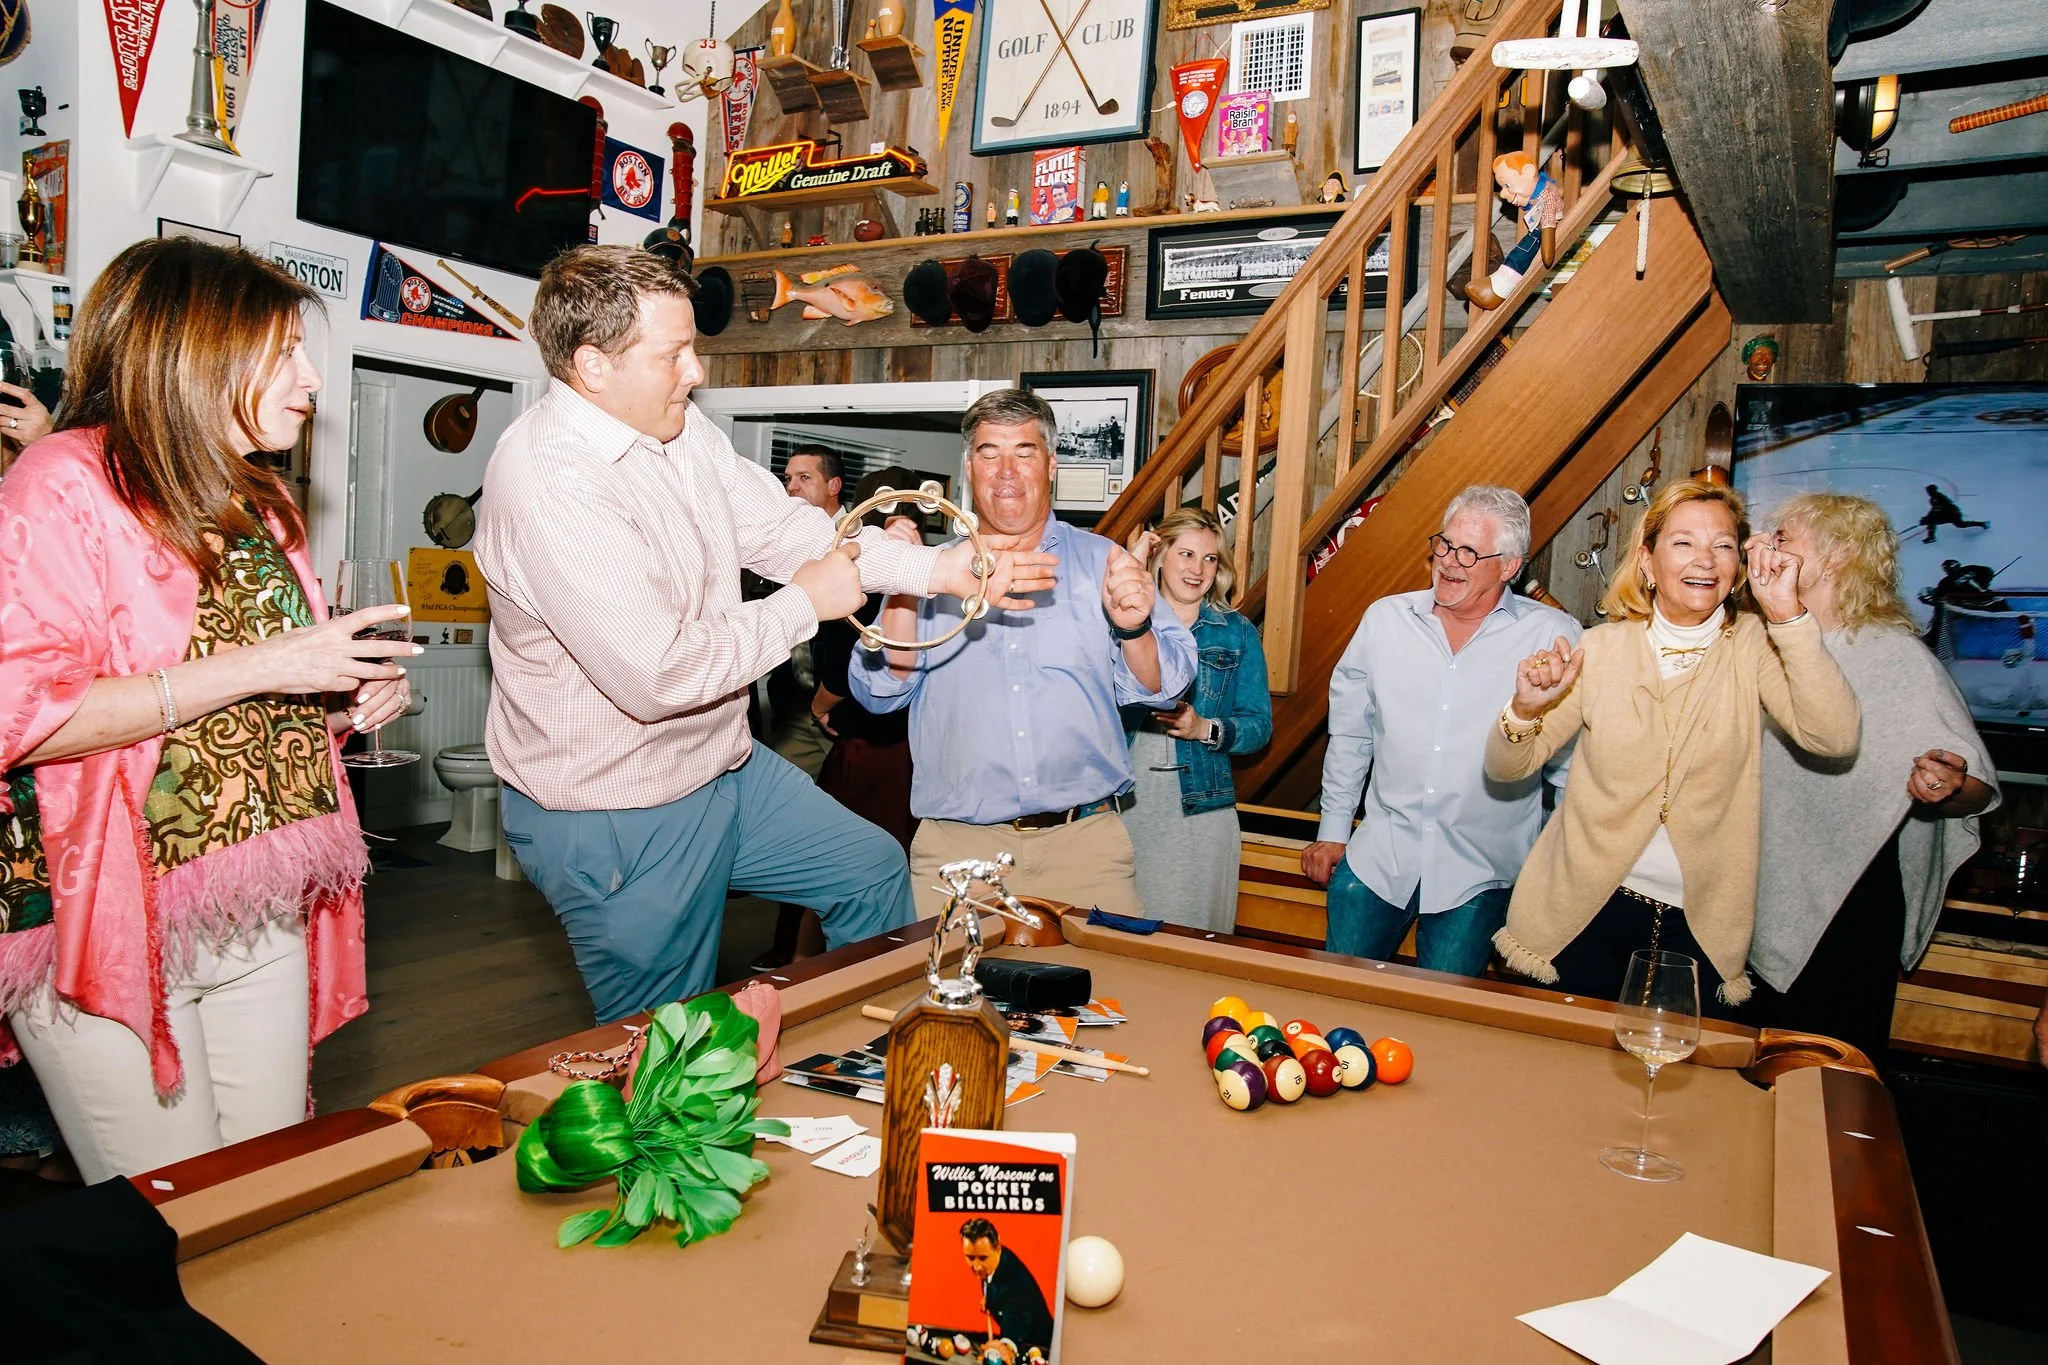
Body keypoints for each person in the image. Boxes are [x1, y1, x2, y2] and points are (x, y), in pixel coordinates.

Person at [474, 248, 1052, 1023]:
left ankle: (855, 1056)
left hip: (720, 766)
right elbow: (661, 676)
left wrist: (943, 571)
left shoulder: (680, 433)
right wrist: (801, 607)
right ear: (592, 366)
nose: (697, 371)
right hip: (615, 807)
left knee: (870, 869)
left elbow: (793, 534)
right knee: (671, 1043)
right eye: (673, 353)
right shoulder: (551, 481)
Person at [0, 237, 414, 1182]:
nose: (313, 380)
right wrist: (272, 660)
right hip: (104, 899)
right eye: (284, 355)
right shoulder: (62, 480)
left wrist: (342, 706)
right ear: (194, 351)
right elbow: (23, 718)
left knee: (262, 1186)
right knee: (169, 1209)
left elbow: (253, 709)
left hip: (250, 896)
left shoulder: (259, 502)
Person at [1486, 479, 1859, 1014]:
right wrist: (1523, 710)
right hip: (1582, 915)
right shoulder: (1600, 648)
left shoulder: (1755, 644)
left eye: (1724, 545)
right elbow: (1505, 766)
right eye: (1683, 542)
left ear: (1739, 565)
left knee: (1676, 1090)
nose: (1705, 559)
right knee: (1563, 1086)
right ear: (1647, 560)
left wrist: (1788, 615)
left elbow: (1836, 737)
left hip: (1699, 928)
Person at [848, 388, 1195, 918]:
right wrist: (904, 584)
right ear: (969, 466)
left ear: (1051, 465)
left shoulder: (1104, 561)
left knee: (1111, 1000)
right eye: (989, 452)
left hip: (1085, 846)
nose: (1006, 471)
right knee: (947, 999)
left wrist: (1135, 629)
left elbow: (1166, 687)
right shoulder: (928, 569)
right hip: (956, 850)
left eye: (1025, 452)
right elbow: (879, 694)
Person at [1750, 493, 1998, 1066]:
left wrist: (1949, 785)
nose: (1766, 549)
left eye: (1784, 538)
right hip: (1755, 890)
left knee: (1828, 1084)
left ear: (1836, 556)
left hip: (1852, 906)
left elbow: (1975, 786)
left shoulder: (1894, 656)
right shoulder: (1758, 644)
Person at [1301, 487, 1579, 976]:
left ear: (1510, 567)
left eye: (1470, 552)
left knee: (1444, 1028)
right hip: (1377, 862)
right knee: (1336, 1010)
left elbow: (1570, 771)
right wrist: (1332, 831)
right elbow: (1350, 736)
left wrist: (1553, 875)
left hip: (1481, 876)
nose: (1449, 561)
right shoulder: (1385, 621)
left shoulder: (1552, 637)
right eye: (1445, 544)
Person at [1121, 507, 1271, 931]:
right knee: (1115, 941)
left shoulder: (1235, 631)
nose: (1198, 569)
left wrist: (1205, 728)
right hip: (1121, 807)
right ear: (1160, 556)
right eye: (1186, 554)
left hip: (1200, 814)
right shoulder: (1122, 622)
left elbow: (1259, 725)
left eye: (1209, 559)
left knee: (1189, 944)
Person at [959, 1217, 1054, 1363]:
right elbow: (994, 1283)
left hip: (1043, 1350)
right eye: (970, 1258)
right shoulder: (996, 1260)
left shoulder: (1016, 1284)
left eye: (983, 1258)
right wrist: (990, 1299)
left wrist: (1006, 1345)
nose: (976, 1267)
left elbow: (1016, 1313)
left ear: (997, 1249)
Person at [1918, 484, 1987, 544]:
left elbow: (1938, 510)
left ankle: (1982, 523)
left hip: (1953, 514)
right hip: (1945, 514)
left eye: (1929, 491)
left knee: (1961, 524)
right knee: (1932, 521)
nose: (1928, 493)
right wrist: (1926, 518)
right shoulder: (1932, 499)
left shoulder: (1940, 498)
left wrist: (1927, 518)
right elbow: (1933, 510)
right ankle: (1931, 537)